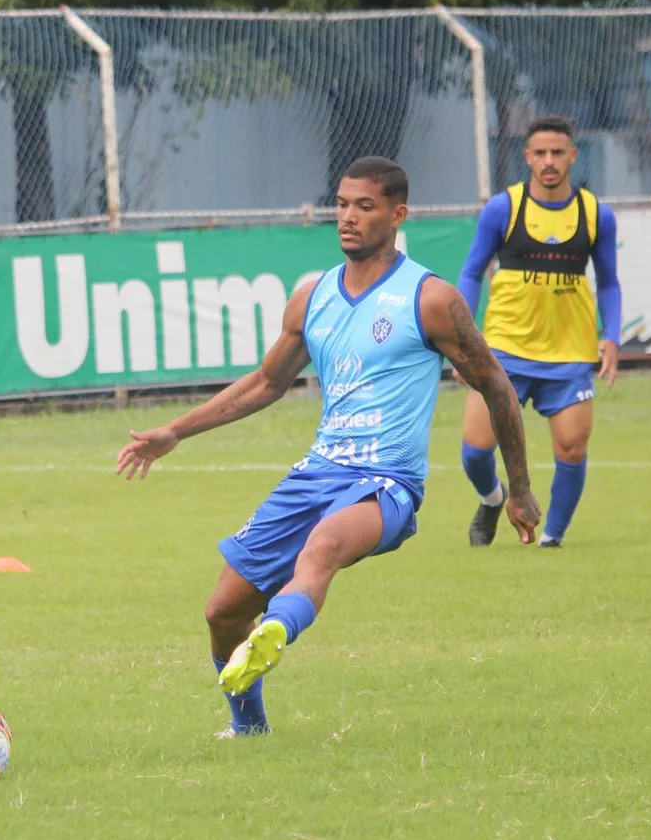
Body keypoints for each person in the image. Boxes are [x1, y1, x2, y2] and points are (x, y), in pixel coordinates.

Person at [116, 156, 540, 737]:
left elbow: (496, 385)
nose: (347, 217)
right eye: (341, 204)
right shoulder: (312, 295)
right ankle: (249, 728)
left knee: (323, 549)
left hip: (387, 483)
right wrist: (175, 432)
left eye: (364, 207)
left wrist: (517, 487)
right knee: (223, 612)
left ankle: (277, 632)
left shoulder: (431, 299)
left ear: (397, 214)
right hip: (317, 473)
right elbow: (266, 383)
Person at [456, 115, 622, 549]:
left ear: (572, 155)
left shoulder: (595, 215)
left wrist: (613, 336)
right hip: (504, 350)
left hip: (568, 354)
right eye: (541, 153)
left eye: (558, 153)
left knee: (572, 449)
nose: (549, 161)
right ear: (527, 157)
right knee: (474, 451)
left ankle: (552, 539)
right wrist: (462, 340)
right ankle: (493, 500)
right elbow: (472, 272)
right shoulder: (503, 209)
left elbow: (609, 282)